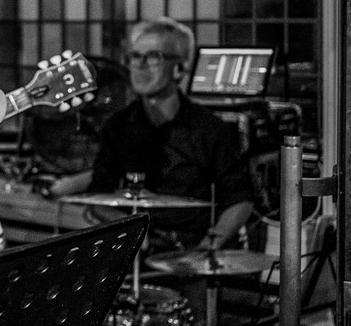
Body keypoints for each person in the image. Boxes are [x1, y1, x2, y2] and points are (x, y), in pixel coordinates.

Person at [49, 17, 255, 251]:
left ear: (180, 68)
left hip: (194, 251)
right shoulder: (117, 127)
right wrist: (134, 232)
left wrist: (210, 244)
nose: (140, 65)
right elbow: (98, 199)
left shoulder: (211, 129)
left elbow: (241, 199)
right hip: (137, 251)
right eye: (135, 56)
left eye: (153, 56)